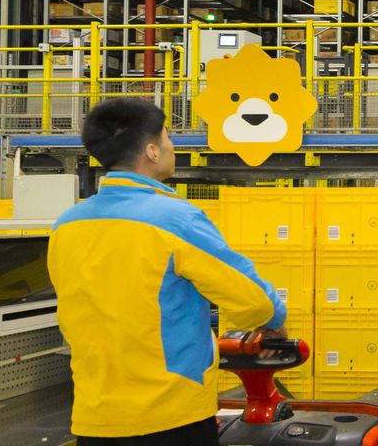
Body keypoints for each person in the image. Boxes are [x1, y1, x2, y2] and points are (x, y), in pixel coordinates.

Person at [49, 97, 287, 445]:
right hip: (169, 415)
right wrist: (275, 323)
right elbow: (249, 296)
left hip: (94, 417)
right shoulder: (175, 220)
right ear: (151, 152)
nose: (172, 146)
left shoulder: (66, 225)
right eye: (168, 137)